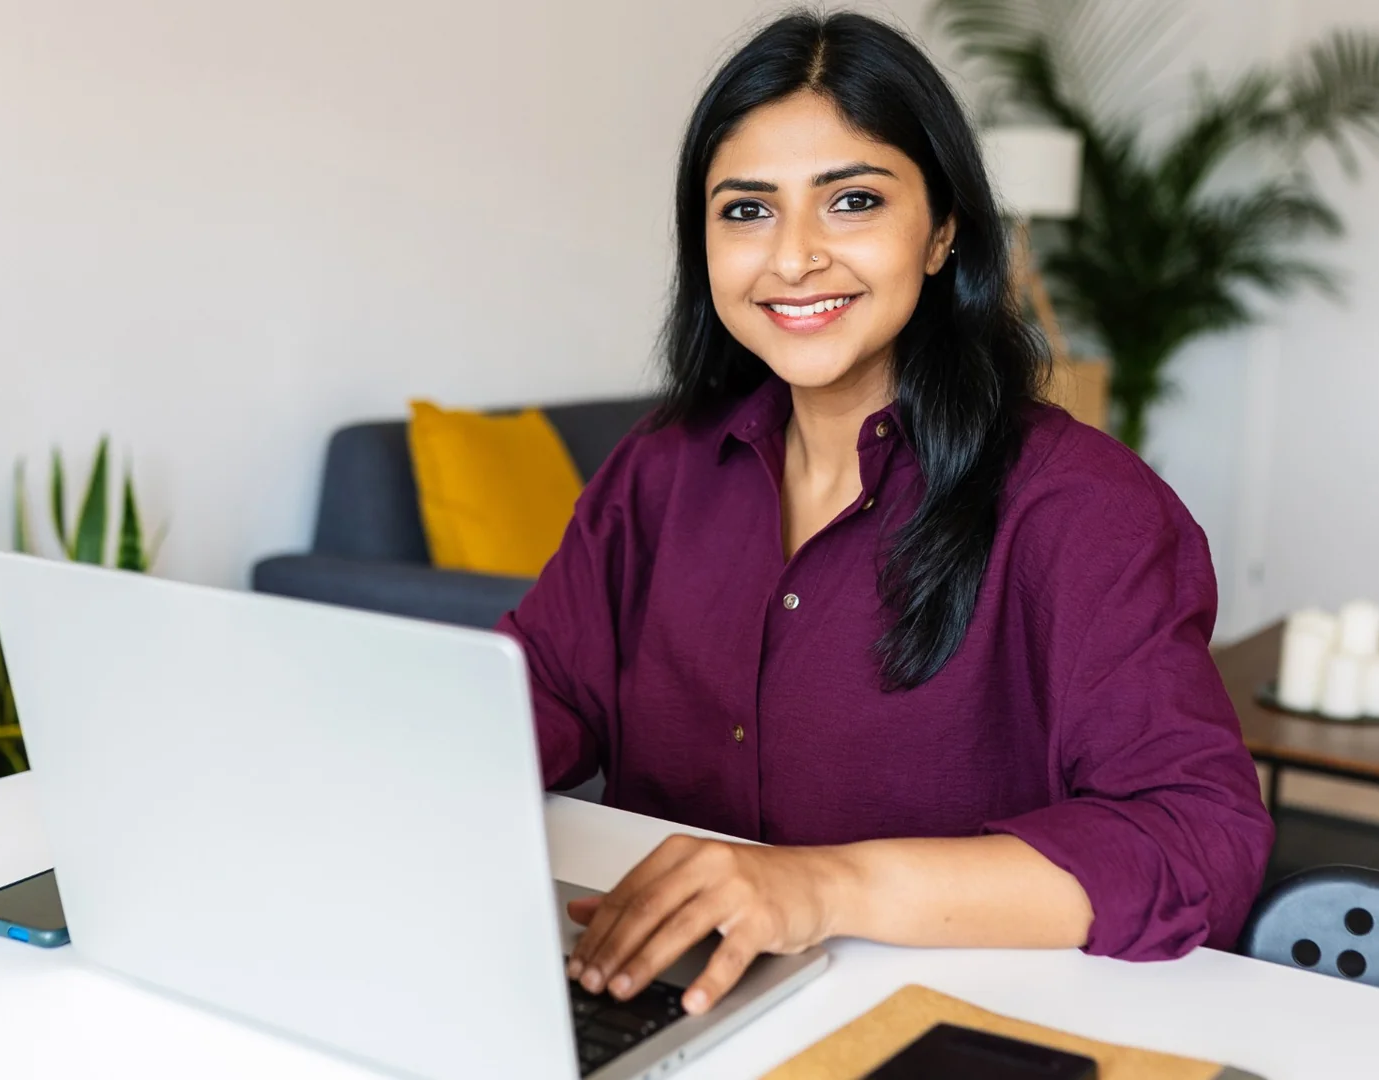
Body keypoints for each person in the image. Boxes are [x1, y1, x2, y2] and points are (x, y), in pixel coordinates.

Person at [498, 10, 1273, 1019]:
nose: (793, 258)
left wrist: (823, 886)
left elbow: (1196, 839)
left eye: (851, 201)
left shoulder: (1084, 510)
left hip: (937, 1026)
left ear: (944, 229)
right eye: (746, 211)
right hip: (653, 998)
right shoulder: (659, 470)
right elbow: (538, 695)